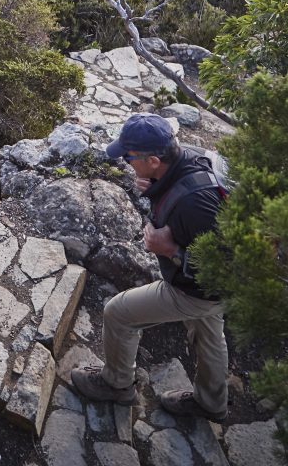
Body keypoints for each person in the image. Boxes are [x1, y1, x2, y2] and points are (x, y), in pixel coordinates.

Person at [70, 113, 229, 422]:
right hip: (213, 295)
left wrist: (170, 250)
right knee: (209, 331)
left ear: (154, 160)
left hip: (199, 290)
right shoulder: (193, 158)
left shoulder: (196, 205)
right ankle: (212, 402)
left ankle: (117, 384)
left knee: (118, 313)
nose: (126, 162)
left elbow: (226, 267)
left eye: (130, 157)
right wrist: (153, 186)